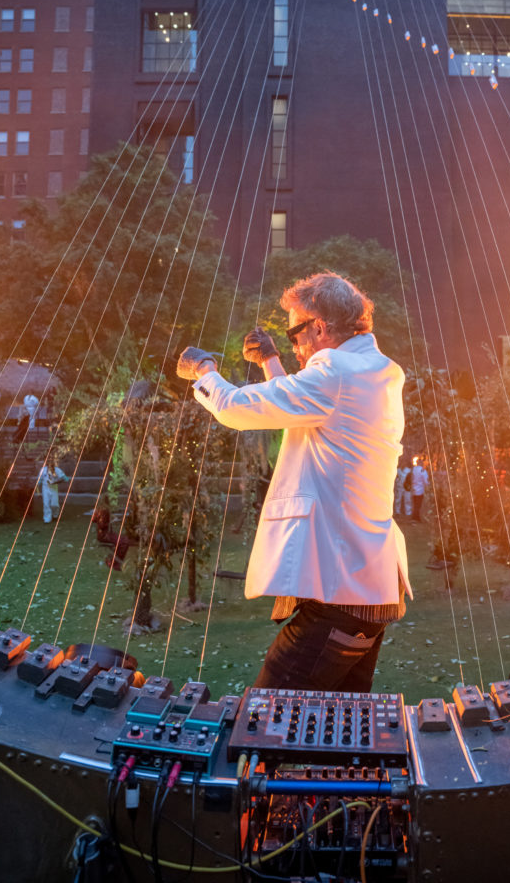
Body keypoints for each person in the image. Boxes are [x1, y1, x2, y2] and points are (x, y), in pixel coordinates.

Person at [177, 271, 412, 693]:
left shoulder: (336, 372)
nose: (293, 343)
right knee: (339, 726)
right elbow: (304, 407)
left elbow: (235, 407)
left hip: (339, 591)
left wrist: (203, 371)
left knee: (270, 713)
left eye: (294, 332)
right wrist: (270, 362)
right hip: (369, 588)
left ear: (319, 327)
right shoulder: (374, 370)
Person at [37, 452, 69, 524]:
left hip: (54, 488)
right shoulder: (43, 470)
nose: (49, 461)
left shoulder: (57, 470)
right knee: (46, 504)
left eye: (51, 460)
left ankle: (55, 515)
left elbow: (66, 479)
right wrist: (38, 492)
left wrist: (56, 482)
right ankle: (47, 519)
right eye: (48, 460)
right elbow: (39, 481)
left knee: (54, 504)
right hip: (45, 488)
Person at [410, 456, 429, 522]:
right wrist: (428, 484)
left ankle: (416, 517)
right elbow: (425, 481)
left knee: (415, 504)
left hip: (414, 489)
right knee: (418, 505)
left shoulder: (414, 469)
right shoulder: (422, 470)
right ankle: (415, 518)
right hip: (420, 490)